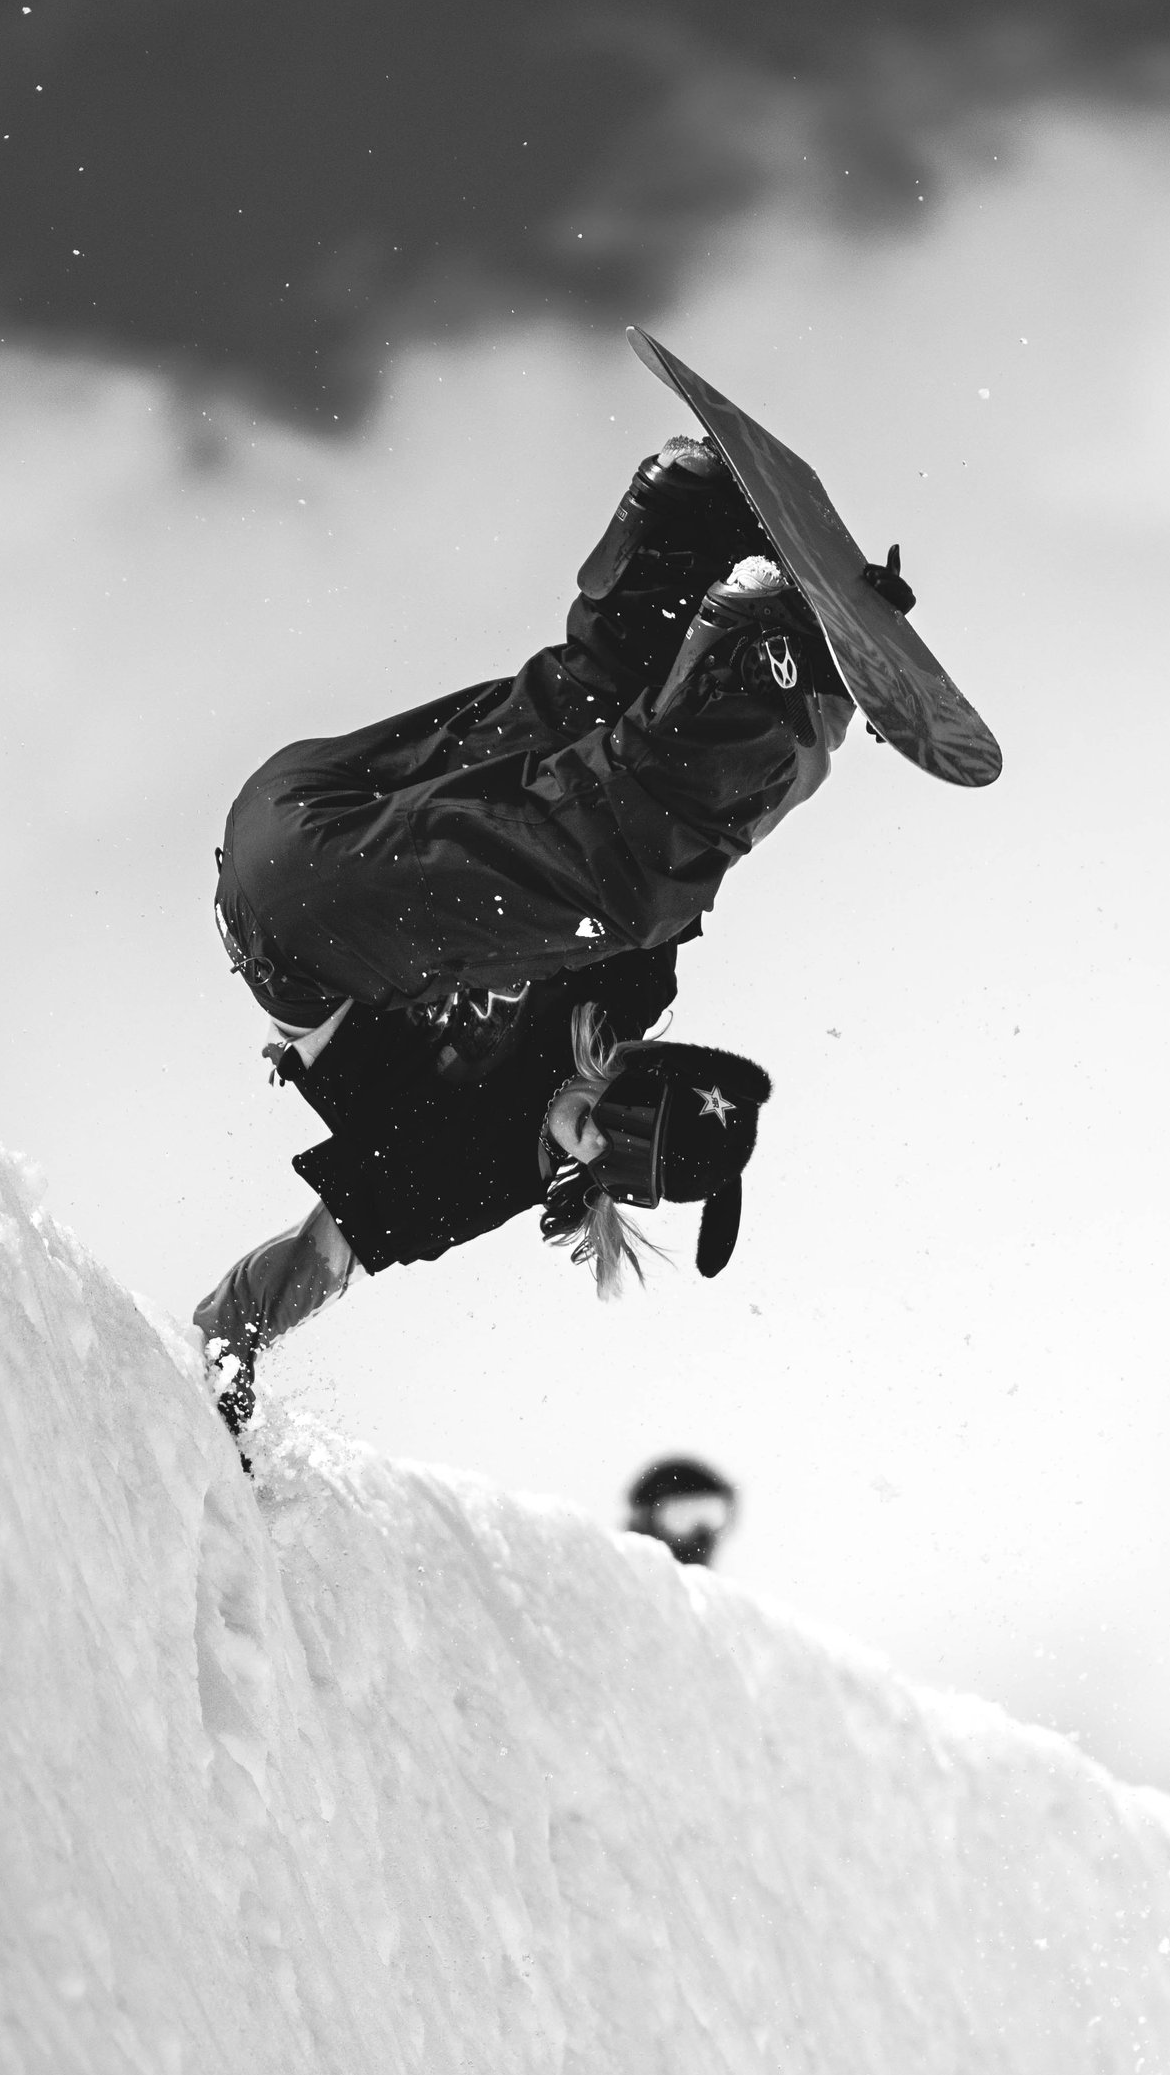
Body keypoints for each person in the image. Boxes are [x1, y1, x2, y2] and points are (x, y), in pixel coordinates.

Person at [192, 431, 890, 1435]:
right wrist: (823, 717)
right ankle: (687, 531)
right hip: (331, 804)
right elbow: (702, 838)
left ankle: (751, 644)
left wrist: (232, 1352)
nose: (585, 1147)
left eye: (608, 1169)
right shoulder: (631, 988)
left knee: (616, 858)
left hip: (295, 917)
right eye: (615, 1128)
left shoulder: (480, 1170)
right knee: (590, 754)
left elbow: (308, 1262)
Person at [624, 1455, 739, 1571]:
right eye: (681, 1518)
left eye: (711, 1516)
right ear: (643, 1522)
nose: (702, 1536)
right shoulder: (611, 1584)